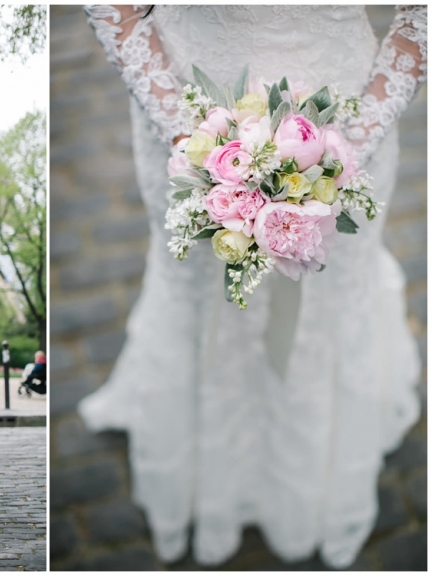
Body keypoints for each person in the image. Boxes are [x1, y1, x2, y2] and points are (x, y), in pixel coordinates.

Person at [78, 5, 426, 569]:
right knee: (196, 297)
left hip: (351, 120)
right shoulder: (188, 139)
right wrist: (200, 149)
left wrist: (345, 154)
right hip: (184, 117)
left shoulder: (350, 147)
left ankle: (309, 480)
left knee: (328, 307)